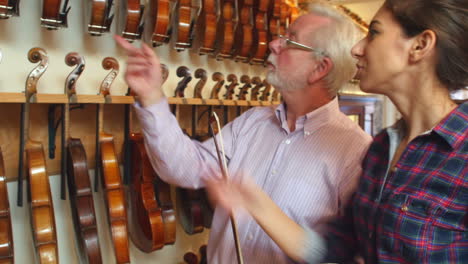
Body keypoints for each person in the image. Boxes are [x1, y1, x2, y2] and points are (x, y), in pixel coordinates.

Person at [205, 0, 468, 263]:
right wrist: (256, 203)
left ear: (420, 46)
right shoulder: (381, 149)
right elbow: (335, 250)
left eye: (374, 33)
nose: (356, 49)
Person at [115, 3, 372, 263]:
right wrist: (151, 96)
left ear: (320, 68)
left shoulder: (357, 152)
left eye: (290, 40)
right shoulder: (254, 120)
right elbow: (184, 167)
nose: (273, 44)